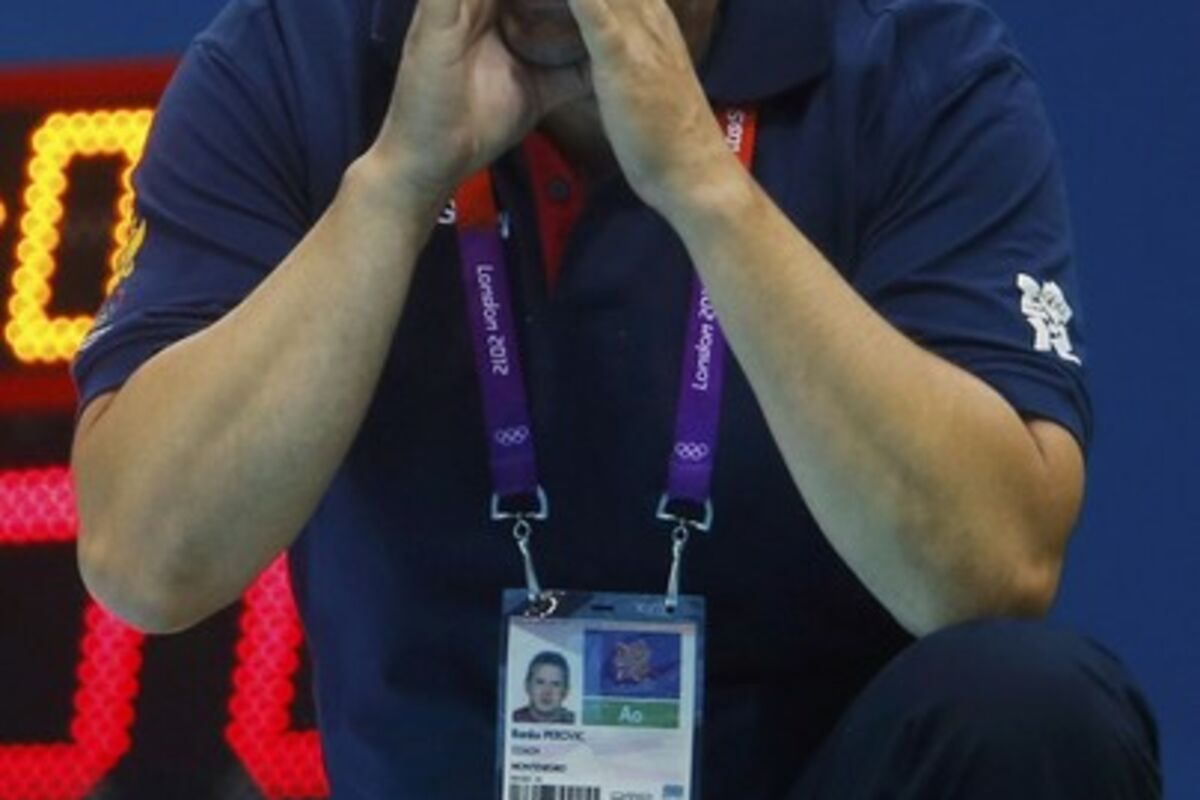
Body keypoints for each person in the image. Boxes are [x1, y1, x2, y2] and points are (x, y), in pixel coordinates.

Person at [69, 0, 1161, 796]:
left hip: (814, 773)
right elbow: (143, 561)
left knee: (1033, 708)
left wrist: (703, 184)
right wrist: (398, 180)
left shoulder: (911, 65)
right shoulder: (293, 60)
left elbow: (992, 567)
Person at [512, 651, 576, 724]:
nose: (547, 692)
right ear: (527, 686)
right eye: (540, 682)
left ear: (566, 690)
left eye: (555, 684)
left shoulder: (574, 721)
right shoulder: (513, 718)